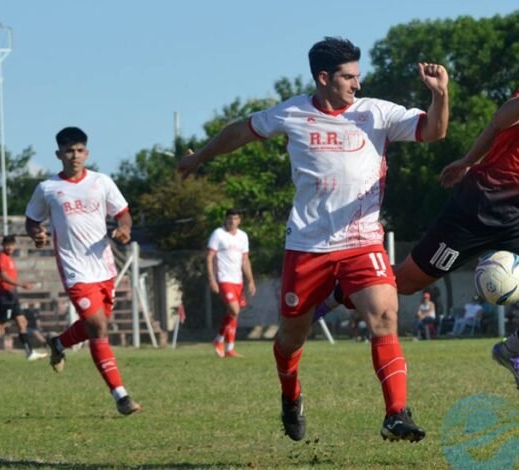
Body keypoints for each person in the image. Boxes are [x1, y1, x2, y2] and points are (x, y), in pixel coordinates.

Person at [316, 40, 519, 398]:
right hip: (473, 213)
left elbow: (497, 136)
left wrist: (468, 160)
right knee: (404, 283)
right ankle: (337, 291)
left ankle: (511, 351)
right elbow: (502, 119)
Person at [178, 37, 448, 441]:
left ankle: (396, 414)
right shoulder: (292, 113)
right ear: (323, 77)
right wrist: (200, 157)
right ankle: (291, 395)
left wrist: (440, 95)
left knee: (385, 315)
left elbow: (434, 130)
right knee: (290, 339)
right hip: (307, 247)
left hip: (362, 240)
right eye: (348, 77)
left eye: (358, 75)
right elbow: (242, 131)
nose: (357, 84)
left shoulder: (376, 112)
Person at [25, 126, 140, 415]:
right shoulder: (48, 188)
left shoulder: (102, 182)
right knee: (99, 326)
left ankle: (59, 342)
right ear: (58, 154)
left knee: (93, 326)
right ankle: (121, 396)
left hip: (104, 267)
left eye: (79, 150)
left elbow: (122, 213)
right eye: (68, 151)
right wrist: (37, 234)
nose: (74, 156)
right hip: (74, 269)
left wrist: (124, 229)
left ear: (86, 153)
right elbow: (32, 220)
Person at [0, 235, 48, 363]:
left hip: (12, 295)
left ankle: (29, 352)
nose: (9, 247)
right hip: (5, 295)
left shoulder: (10, 258)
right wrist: (20, 284)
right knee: (1, 325)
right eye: (7, 244)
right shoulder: (2, 257)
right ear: (3, 245)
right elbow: (3, 275)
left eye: (11, 244)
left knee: (22, 322)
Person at [207, 208, 256, 358]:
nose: (232, 222)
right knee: (235, 310)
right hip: (224, 278)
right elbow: (209, 257)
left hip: (238, 280)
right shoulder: (218, 234)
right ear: (225, 220)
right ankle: (219, 339)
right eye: (229, 219)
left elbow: (245, 260)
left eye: (235, 219)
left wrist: (250, 281)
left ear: (239, 220)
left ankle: (229, 348)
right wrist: (212, 279)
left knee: (232, 313)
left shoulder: (243, 236)